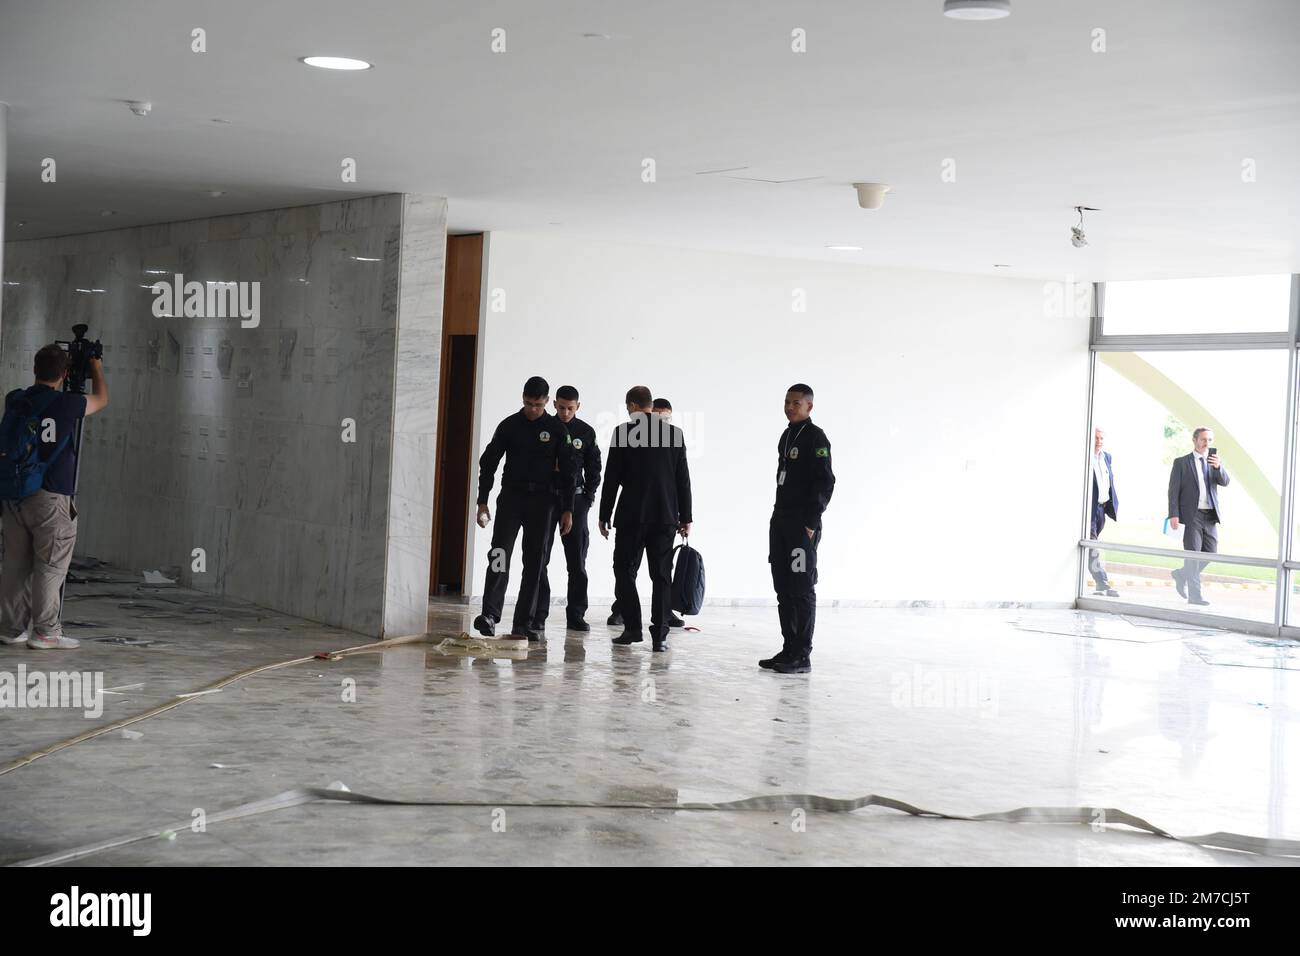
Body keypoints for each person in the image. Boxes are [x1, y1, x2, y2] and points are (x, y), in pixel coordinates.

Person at [0, 345, 109, 649]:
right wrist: (96, 367)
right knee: (50, 565)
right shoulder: (68, 404)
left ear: (35, 369)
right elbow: (102, 399)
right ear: (63, 374)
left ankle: (11, 627)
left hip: (13, 496)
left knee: (15, 565)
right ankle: (46, 631)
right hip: (50, 497)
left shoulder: (15, 400)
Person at [473, 376, 576, 640]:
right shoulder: (509, 425)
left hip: (543, 503)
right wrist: (482, 500)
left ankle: (523, 622)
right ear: (522, 398)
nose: (532, 409)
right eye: (528, 403)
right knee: (499, 554)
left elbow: (568, 473)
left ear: (546, 402)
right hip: (511, 499)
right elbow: (489, 463)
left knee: (535, 562)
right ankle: (489, 614)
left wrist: (568, 510)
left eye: (538, 405)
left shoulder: (556, 430)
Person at [599, 386, 691, 652]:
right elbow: (682, 480)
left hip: (632, 515)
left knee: (624, 570)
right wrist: (686, 516)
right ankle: (660, 637)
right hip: (665, 516)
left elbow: (612, 479)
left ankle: (632, 628)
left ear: (631, 405)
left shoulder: (623, 432)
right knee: (661, 575)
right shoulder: (674, 434)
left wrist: (605, 514)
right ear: (650, 405)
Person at [760, 384, 834, 674]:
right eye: (787, 402)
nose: (790, 407)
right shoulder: (787, 434)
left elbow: (825, 482)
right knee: (783, 588)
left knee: (801, 588)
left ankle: (802, 654)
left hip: (801, 529)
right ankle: (788, 648)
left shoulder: (816, 438)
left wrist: (810, 524)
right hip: (781, 523)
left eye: (796, 403)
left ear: (809, 407)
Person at [533, 385, 601, 632]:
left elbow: (594, 470)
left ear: (578, 407)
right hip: (547, 500)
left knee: (577, 562)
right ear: (554, 405)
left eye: (570, 408)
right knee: (540, 558)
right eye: (561, 407)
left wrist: (589, 498)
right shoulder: (545, 427)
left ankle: (576, 614)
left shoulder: (586, 431)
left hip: (578, 501)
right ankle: (538, 614)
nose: (565, 412)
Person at [1167, 427, 1230, 607]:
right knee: (1193, 555)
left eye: (1210, 440)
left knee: (1211, 553)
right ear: (1194, 440)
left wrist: (1219, 467)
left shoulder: (1213, 462)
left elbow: (1225, 482)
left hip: (1210, 516)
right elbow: (1173, 491)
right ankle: (1195, 596)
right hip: (1190, 515)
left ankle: (1181, 574)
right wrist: (1173, 514)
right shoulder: (1181, 463)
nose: (1207, 443)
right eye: (1203, 439)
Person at [1088, 427, 1119, 597]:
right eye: (1096, 438)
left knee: (1092, 545)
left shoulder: (1107, 457)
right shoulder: (1085, 456)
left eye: (1101, 438)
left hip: (1101, 508)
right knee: (1092, 546)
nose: (1099, 442)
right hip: (1088, 509)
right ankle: (1102, 582)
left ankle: (1099, 581)